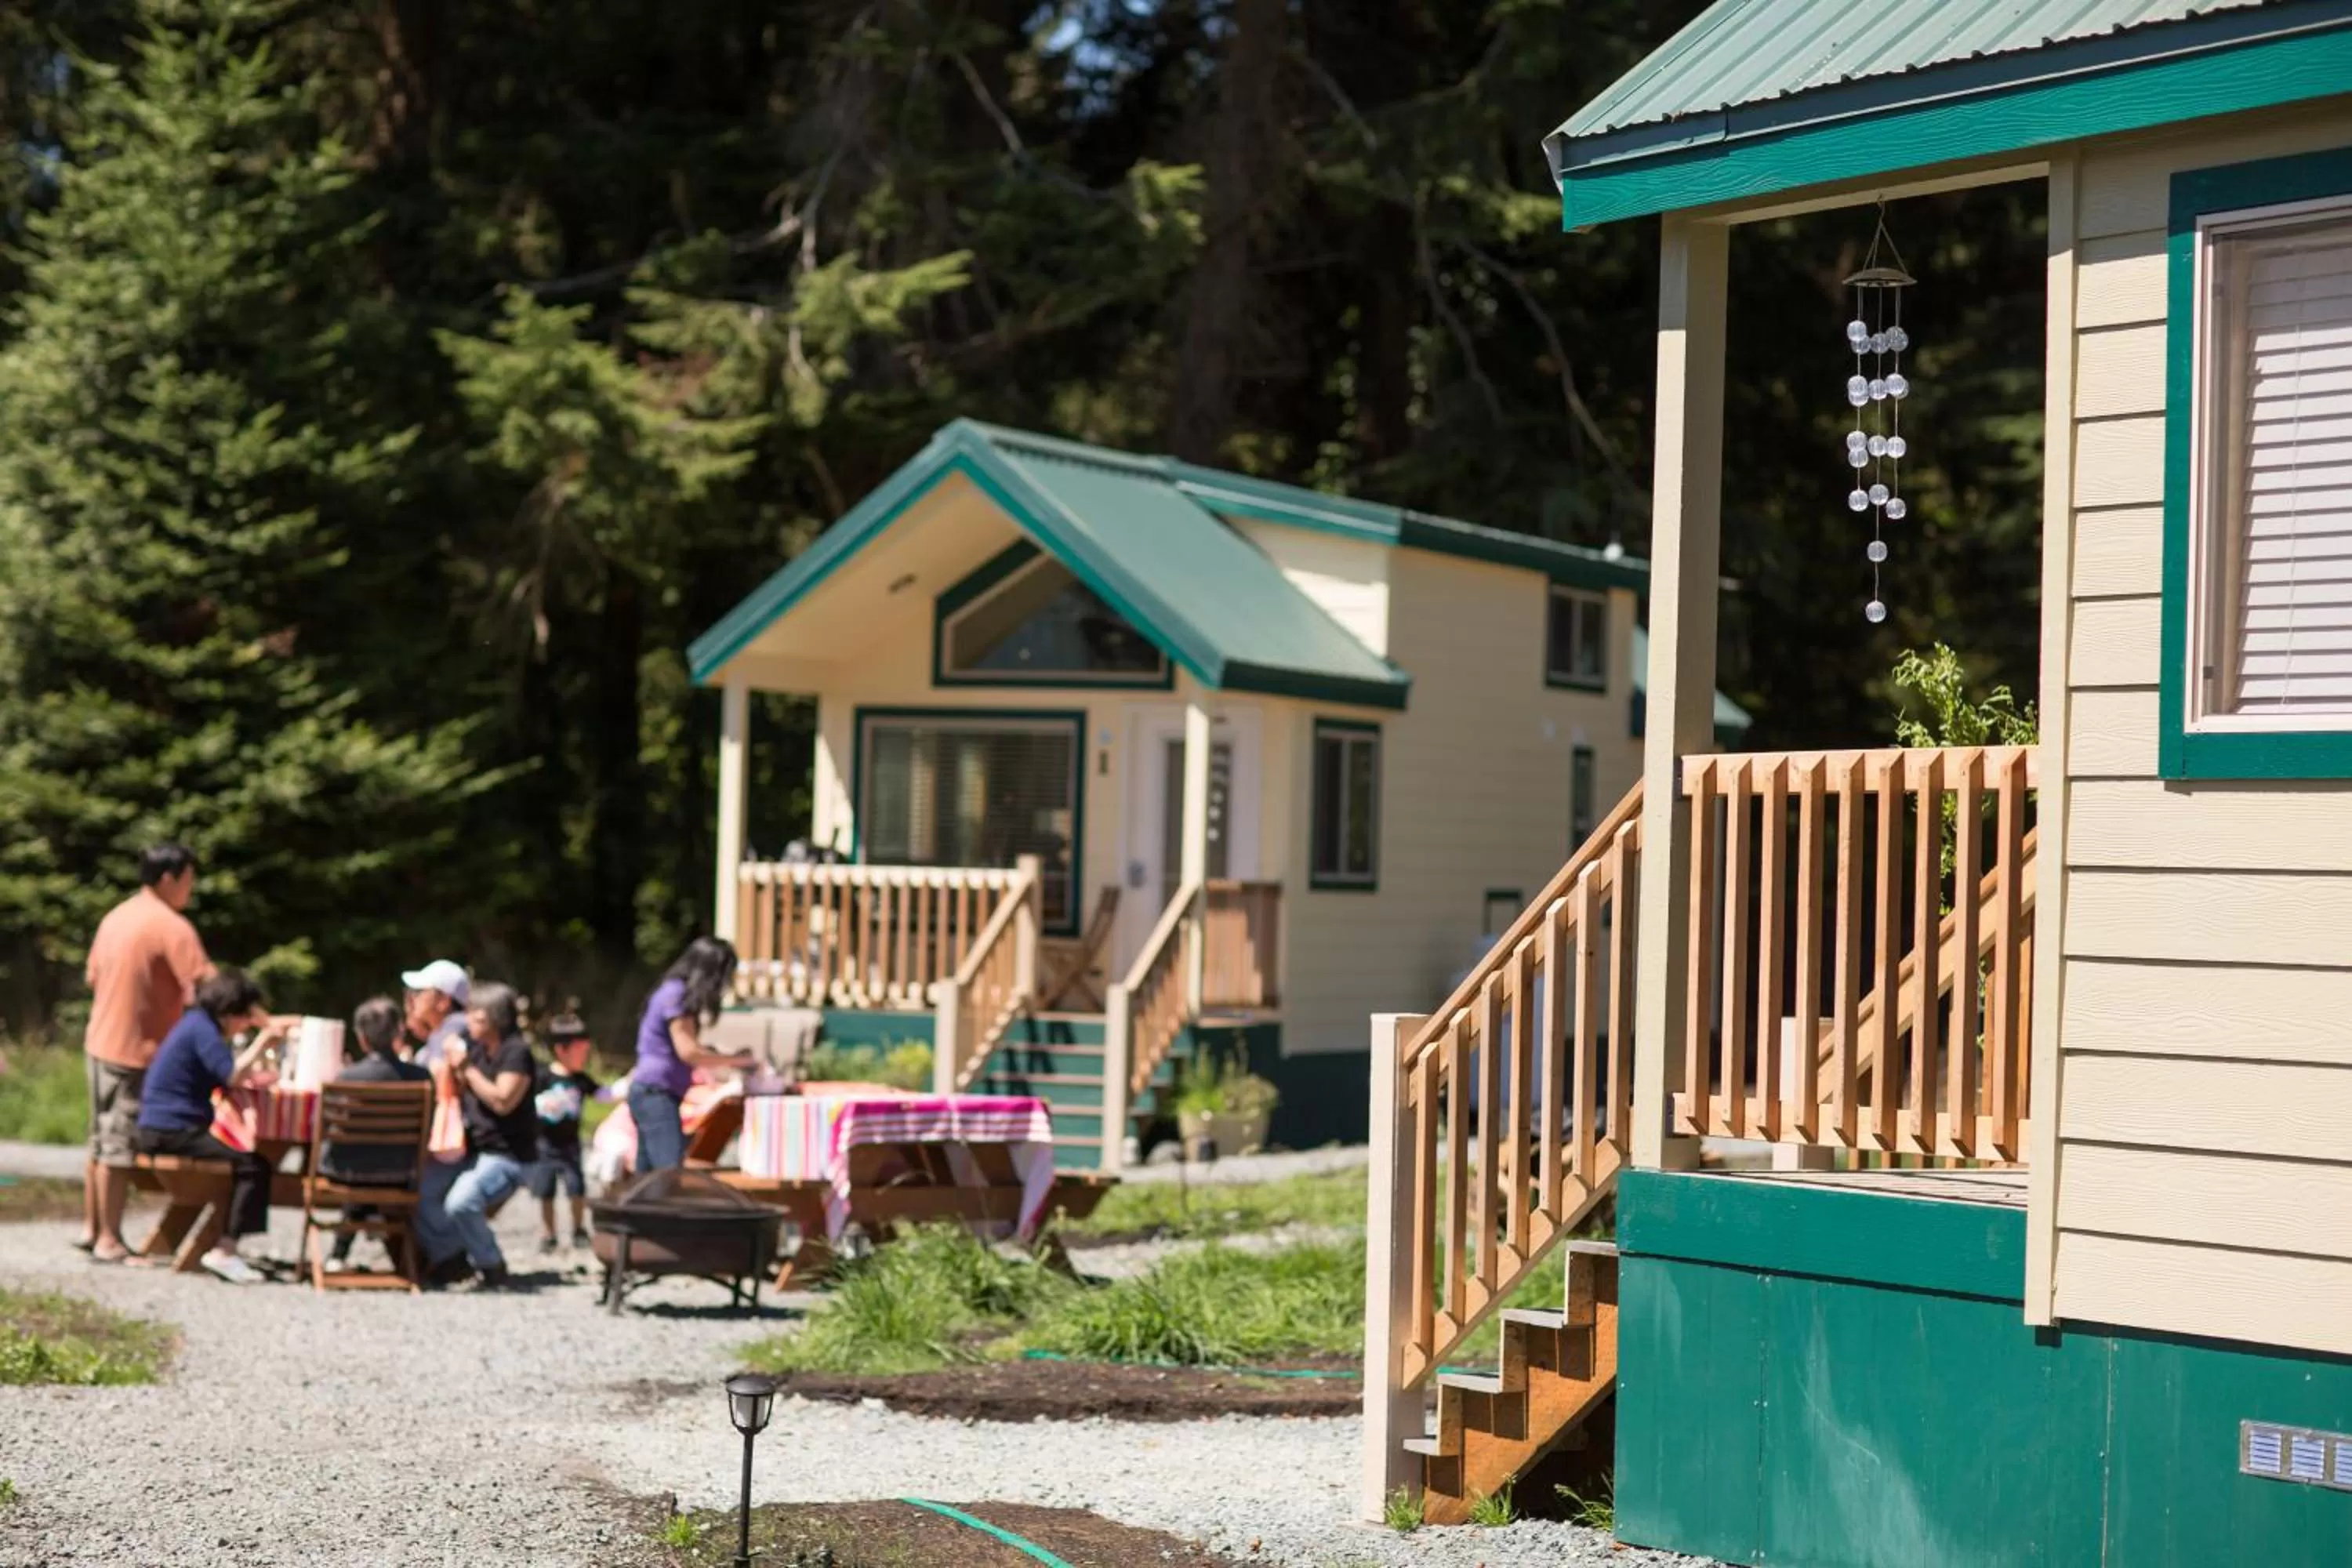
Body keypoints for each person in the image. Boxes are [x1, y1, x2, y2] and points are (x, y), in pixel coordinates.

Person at [79, 844, 212, 1264]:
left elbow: (91, 976)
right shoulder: (170, 926)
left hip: (98, 1042)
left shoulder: (115, 916)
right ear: (169, 879)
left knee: (100, 1141)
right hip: (135, 1051)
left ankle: (92, 1228)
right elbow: (209, 987)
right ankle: (109, 1240)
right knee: (118, 1146)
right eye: (189, 880)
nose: (191, 890)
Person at [132, 969, 291, 1284]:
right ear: (229, 1012)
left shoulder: (195, 1025)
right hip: (173, 1129)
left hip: (161, 1126)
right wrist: (263, 1041)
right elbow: (230, 1075)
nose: (245, 1023)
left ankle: (216, 1245)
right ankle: (225, 1250)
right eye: (244, 1016)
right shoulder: (203, 1030)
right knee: (253, 1166)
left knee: (248, 1162)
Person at [412, 982, 535, 1287]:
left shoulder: (516, 1053)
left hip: (507, 1155)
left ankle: (492, 1266)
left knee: (461, 1201)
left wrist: (466, 1069)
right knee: (420, 1192)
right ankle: (452, 1260)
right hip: (470, 1150)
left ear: (493, 1019)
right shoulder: (477, 1049)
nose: (467, 1022)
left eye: (474, 1016)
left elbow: (503, 1101)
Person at [321, 997, 431, 1269]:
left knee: (357, 1158)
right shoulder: (422, 1078)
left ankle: (338, 1254)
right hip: (402, 1172)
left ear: (361, 1038)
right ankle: (364, 1233)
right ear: (399, 1031)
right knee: (373, 1157)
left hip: (349, 1174)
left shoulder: (346, 1078)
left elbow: (328, 1129)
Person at [626, 938, 753, 1172]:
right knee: (670, 1173)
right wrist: (739, 1061)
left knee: (648, 1178)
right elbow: (689, 1052)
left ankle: (639, 1210)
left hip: (653, 1092)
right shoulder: (676, 995)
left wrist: (723, 1056)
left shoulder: (672, 992)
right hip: (655, 1093)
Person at [527, 1010, 597, 1253]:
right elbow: (528, 1101)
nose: (585, 1057)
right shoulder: (543, 1076)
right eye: (581, 1051)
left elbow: (602, 1094)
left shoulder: (580, 1079)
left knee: (576, 1188)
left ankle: (579, 1228)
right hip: (545, 1145)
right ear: (562, 1050)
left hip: (571, 1145)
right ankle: (549, 1233)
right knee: (545, 1191)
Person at [396, 960, 470, 1062]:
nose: (412, 998)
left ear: (443, 1001)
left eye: (418, 991)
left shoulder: (457, 1025)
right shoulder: (439, 1034)